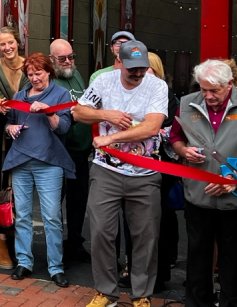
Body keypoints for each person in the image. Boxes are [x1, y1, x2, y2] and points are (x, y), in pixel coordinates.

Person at [74, 40, 168, 307]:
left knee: (145, 235)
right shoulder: (104, 82)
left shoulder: (157, 85)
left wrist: (111, 137)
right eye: (132, 69)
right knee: (102, 231)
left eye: (142, 68)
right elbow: (79, 112)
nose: (138, 74)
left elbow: (152, 126)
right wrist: (107, 115)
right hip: (106, 171)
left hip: (146, 172)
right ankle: (106, 291)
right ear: (120, 63)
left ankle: (141, 294)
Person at [169, 59, 237, 306]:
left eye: (214, 90)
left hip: (236, 198)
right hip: (197, 196)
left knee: (235, 261)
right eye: (203, 89)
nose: (208, 96)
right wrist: (184, 151)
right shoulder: (187, 103)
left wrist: (235, 177)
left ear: (229, 84)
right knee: (197, 258)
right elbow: (174, 137)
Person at [3, 53, 74, 286]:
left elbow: (63, 128)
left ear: (49, 71)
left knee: (51, 216)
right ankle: (24, 261)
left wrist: (49, 111)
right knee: (22, 215)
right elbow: (9, 123)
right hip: (21, 161)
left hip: (49, 163)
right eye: (30, 74)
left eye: (39, 73)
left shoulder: (61, 94)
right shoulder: (19, 96)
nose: (34, 78)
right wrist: (10, 127)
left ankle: (56, 267)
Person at [0, 26, 29, 270]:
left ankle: (17, 241)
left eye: (10, 42)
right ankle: (1, 242)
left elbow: (31, 95)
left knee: (23, 191)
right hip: (5, 138)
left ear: (17, 42)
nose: (7, 47)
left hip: (29, 136)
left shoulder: (29, 64)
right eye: (2, 44)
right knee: (5, 188)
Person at [49, 39, 93, 264]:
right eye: (62, 58)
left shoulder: (75, 75)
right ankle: (55, 249)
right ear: (52, 60)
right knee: (55, 202)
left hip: (81, 150)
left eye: (71, 57)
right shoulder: (49, 79)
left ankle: (75, 243)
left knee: (78, 201)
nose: (68, 61)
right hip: (59, 150)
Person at [146, 52, 181, 292]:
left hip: (162, 164)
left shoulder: (167, 97)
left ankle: (159, 273)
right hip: (139, 164)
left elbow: (172, 130)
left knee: (159, 218)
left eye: (145, 68)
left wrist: (146, 130)